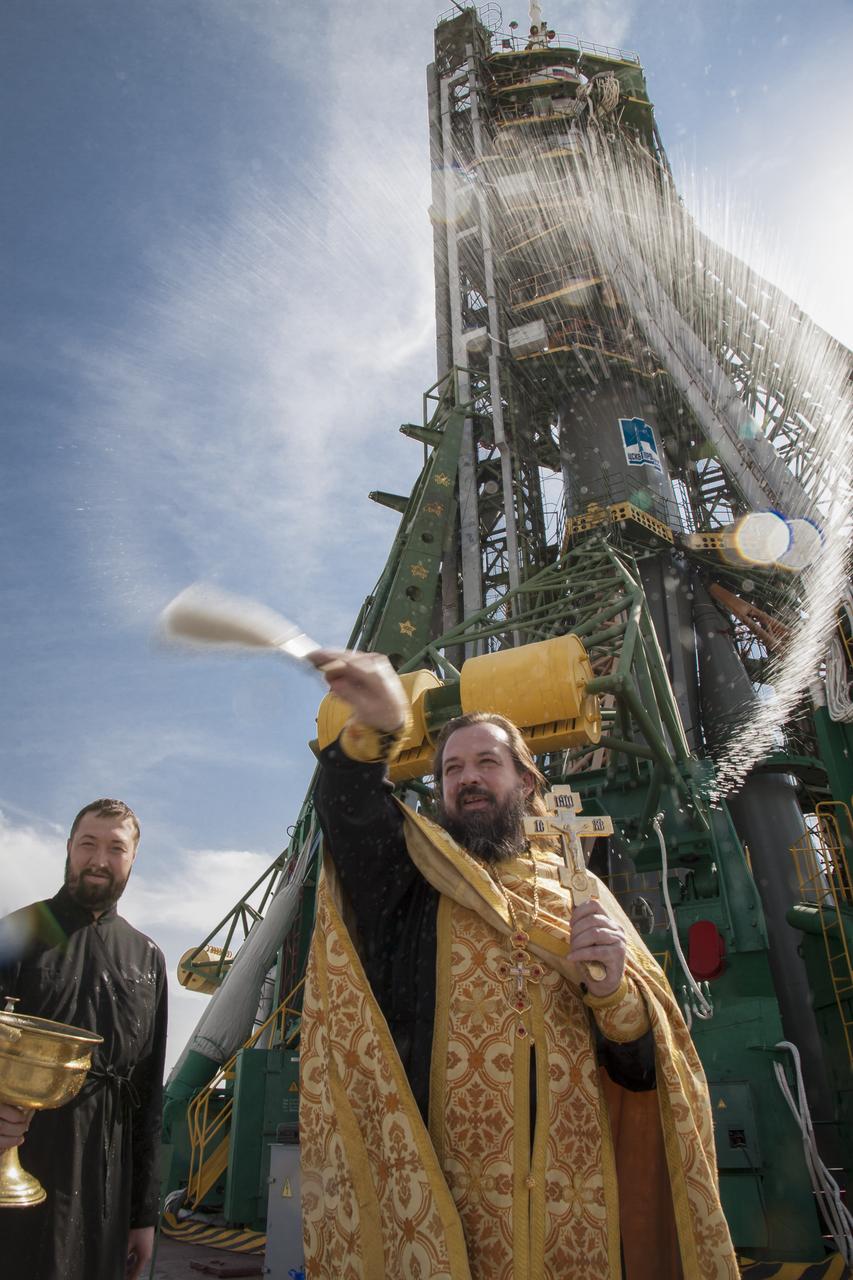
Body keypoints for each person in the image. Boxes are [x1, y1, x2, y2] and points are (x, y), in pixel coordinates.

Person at [299, 651, 738, 1279]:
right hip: (451, 1202)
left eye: (486, 762)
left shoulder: (579, 891)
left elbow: (643, 1070)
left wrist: (614, 991)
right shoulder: (418, 881)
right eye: (452, 768)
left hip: (575, 1198)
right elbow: (350, 816)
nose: (468, 778)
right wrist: (375, 724)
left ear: (526, 782)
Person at [0, 798, 167, 1280]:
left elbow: (147, 1097)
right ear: (69, 849)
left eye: (116, 848)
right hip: (23, 1165)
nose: (99, 860)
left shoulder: (147, 959)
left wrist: (143, 1217)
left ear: (132, 859)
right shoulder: (19, 931)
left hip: (105, 1186)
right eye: (88, 844)